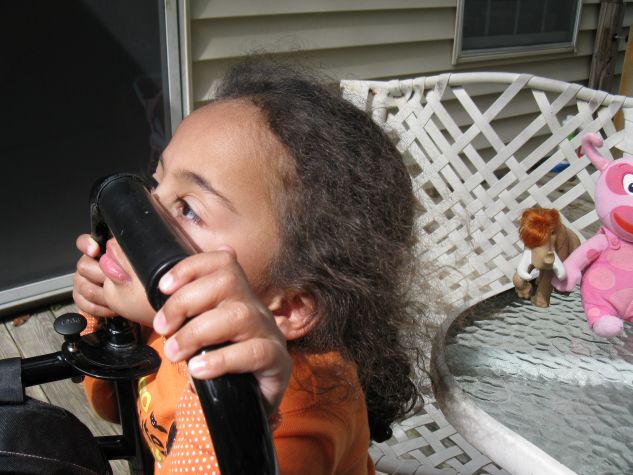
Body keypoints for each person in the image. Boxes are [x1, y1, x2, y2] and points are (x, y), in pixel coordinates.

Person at [73, 58, 426, 474]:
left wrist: (227, 418)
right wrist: (109, 324)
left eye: (189, 209)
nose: (138, 214)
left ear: (288, 305)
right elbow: (118, 411)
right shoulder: (172, 320)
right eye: (155, 182)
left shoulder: (292, 425)